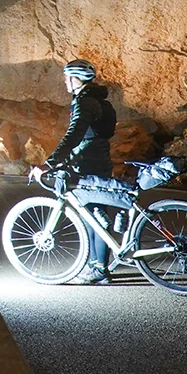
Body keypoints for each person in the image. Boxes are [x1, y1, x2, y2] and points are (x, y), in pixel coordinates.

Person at [44, 59, 117, 284]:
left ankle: (99, 269)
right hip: (99, 161)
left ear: (76, 79)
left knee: (93, 216)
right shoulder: (97, 101)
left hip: (87, 164)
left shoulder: (85, 103)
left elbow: (75, 133)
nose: (65, 82)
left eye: (67, 77)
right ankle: (97, 265)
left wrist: (51, 161)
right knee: (94, 214)